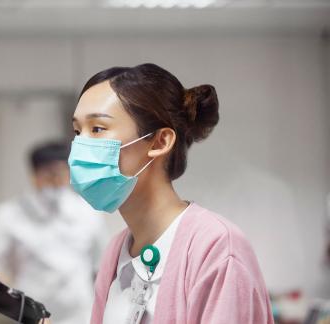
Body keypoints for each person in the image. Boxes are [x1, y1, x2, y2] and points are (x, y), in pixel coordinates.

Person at [68, 63, 274, 323]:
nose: (80, 145)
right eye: (77, 131)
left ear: (160, 141)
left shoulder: (217, 248)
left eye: (97, 129)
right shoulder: (116, 252)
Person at [0, 141, 108, 324]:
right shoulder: (8, 215)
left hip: (80, 316)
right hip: (32, 315)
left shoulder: (89, 212)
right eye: (50, 174)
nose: (57, 181)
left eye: (63, 173)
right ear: (35, 175)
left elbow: (102, 267)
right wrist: (10, 300)